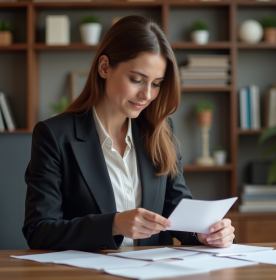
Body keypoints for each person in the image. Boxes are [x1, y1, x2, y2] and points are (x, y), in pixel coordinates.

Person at [23, 15, 235, 251]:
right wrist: (113, 224)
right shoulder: (54, 135)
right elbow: (39, 230)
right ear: (104, 67)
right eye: (136, 79)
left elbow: (175, 209)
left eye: (156, 84)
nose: (147, 94)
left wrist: (205, 233)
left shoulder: (160, 131)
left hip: (154, 272)